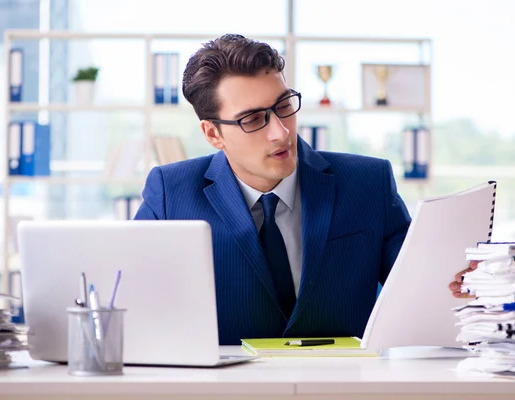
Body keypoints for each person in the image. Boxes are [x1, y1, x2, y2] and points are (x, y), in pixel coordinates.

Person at [135, 33, 412, 345]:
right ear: (213, 133)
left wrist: (467, 275)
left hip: (341, 386)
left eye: (283, 106)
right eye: (253, 119)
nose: (280, 132)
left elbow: (422, 291)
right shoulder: (172, 194)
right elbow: (130, 303)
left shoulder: (368, 183)